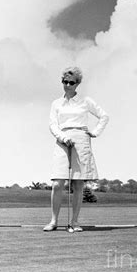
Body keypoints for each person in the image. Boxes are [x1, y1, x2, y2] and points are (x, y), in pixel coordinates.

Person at [43, 67, 108, 232]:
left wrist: (94, 132)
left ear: (77, 83)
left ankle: (74, 222)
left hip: (81, 139)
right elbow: (52, 125)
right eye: (64, 82)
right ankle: (53, 221)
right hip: (62, 139)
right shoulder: (56, 103)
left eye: (71, 82)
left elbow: (104, 116)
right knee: (58, 183)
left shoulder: (86, 101)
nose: (67, 85)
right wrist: (63, 138)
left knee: (78, 184)